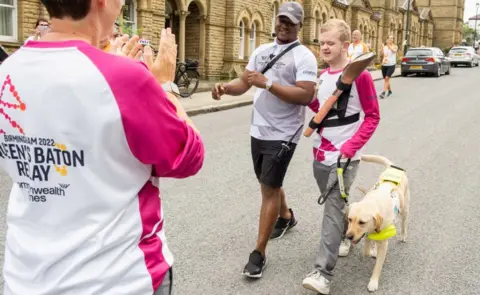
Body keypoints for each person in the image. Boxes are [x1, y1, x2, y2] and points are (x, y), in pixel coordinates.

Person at [0, 0, 204, 294]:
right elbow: (189, 156)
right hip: (117, 279)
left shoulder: (8, 70)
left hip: (25, 278)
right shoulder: (125, 79)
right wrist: (163, 86)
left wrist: (114, 68)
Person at [211, 1, 318, 279]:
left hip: (284, 133)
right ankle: (286, 217)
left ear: (299, 26)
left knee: (268, 188)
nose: (283, 25)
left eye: (290, 22)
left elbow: (306, 95)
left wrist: (268, 84)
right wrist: (225, 88)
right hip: (258, 129)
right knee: (267, 181)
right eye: (281, 20)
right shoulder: (261, 51)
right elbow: (244, 83)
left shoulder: (304, 57)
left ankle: (259, 253)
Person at [301, 19, 380, 294]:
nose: (324, 47)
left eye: (330, 43)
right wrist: (306, 96)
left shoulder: (361, 76)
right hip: (319, 154)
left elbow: (372, 117)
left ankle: (322, 273)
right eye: (321, 42)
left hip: (344, 158)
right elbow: (322, 109)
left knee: (332, 212)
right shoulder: (323, 77)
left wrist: (350, 148)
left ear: (346, 46)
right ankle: (349, 233)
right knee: (337, 207)